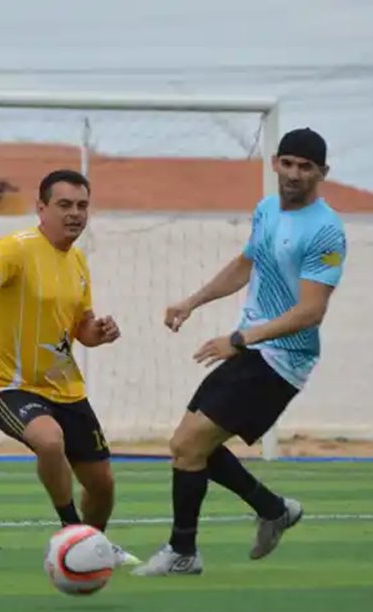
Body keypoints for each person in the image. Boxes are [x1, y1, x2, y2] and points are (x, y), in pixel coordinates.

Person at [132, 127, 347, 576]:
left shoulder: (327, 231)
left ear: (322, 173)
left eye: (305, 167)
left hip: (283, 357)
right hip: (252, 349)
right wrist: (192, 302)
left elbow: (311, 312)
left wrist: (238, 340)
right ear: (274, 163)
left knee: (188, 444)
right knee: (189, 446)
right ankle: (272, 510)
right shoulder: (267, 209)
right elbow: (246, 264)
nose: (294, 173)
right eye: (287, 163)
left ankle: (183, 552)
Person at [0, 169, 139, 567]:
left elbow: (80, 328)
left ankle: (94, 546)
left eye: (82, 206)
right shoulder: (15, 248)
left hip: (66, 390)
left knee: (102, 487)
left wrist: (98, 331)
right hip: (10, 387)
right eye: (64, 205)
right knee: (49, 441)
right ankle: (71, 534)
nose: (75, 214)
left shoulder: (79, 261)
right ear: (41, 208)